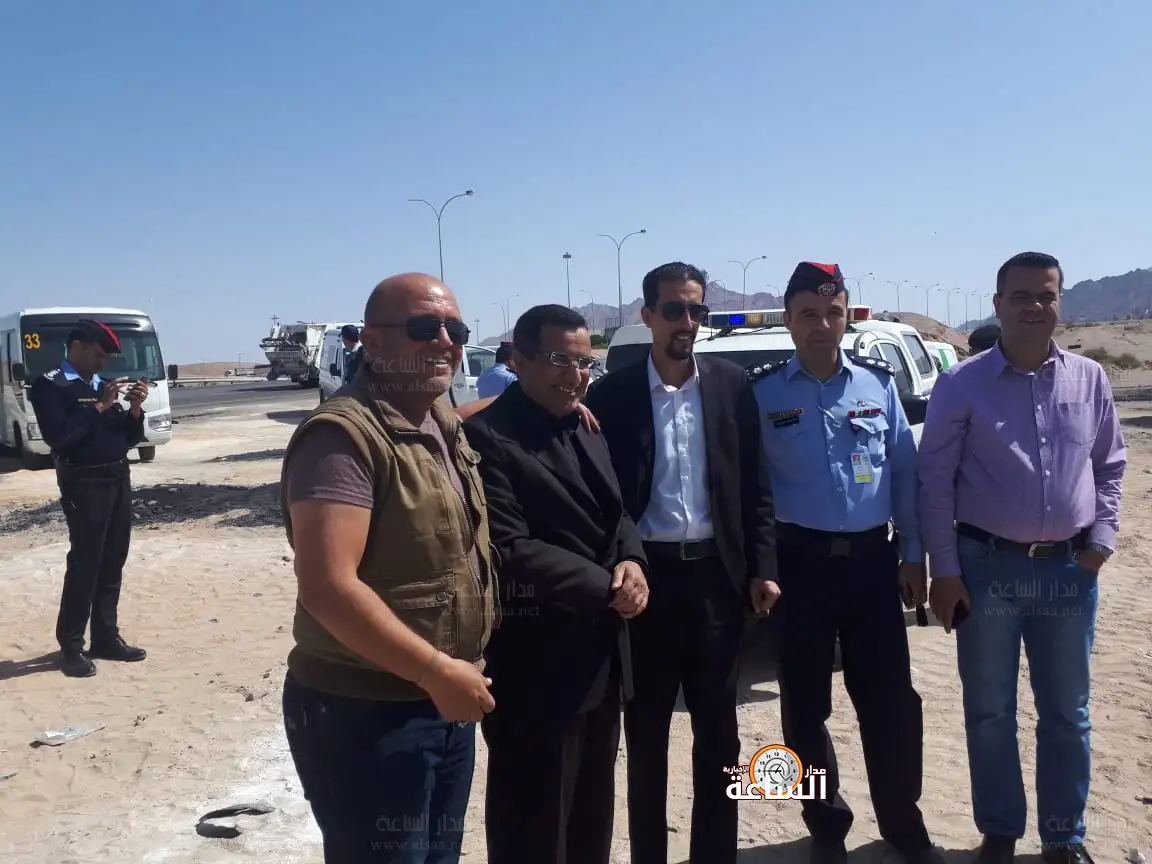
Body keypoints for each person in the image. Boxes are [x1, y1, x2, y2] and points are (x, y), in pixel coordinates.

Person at [279, 272, 498, 863]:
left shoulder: (437, 422)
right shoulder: (341, 439)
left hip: (442, 702)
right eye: (425, 328)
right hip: (366, 712)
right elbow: (328, 587)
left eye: (456, 330)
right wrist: (435, 671)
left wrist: (546, 395)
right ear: (373, 343)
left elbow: (468, 416)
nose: (446, 342)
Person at [919, 252, 1126, 864]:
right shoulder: (961, 383)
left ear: (1060, 302)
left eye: (1046, 295)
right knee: (989, 712)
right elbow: (935, 482)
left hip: (1070, 570)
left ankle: (1063, 837)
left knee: (1068, 713)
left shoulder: (1089, 378)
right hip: (987, 570)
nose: (1035, 306)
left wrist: (1102, 539)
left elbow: (1110, 465)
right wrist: (944, 570)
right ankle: (1001, 831)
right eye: (1021, 296)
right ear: (997, 304)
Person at [582, 262, 779, 864]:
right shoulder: (612, 396)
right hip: (647, 582)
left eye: (698, 311)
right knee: (646, 737)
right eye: (674, 310)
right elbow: (601, 496)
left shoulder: (729, 385)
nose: (687, 322)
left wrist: (763, 566)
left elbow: (755, 485)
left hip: (717, 583)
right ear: (647, 316)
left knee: (720, 736)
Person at [747, 262, 940, 864]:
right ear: (789, 320)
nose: (822, 325)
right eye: (809, 314)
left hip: (872, 564)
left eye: (833, 313)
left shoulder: (877, 385)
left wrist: (914, 554)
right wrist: (760, 565)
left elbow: (903, 476)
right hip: (798, 566)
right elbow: (751, 490)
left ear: (846, 318)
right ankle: (826, 826)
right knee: (804, 707)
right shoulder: (762, 393)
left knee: (892, 703)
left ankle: (903, 824)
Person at [463, 305, 650, 864]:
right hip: (535, 669)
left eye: (584, 362)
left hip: (601, 660)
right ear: (518, 360)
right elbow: (509, 549)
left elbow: (616, 514)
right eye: (559, 361)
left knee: (591, 818)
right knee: (534, 827)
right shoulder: (488, 438)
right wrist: (607, 587)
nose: (576, 375)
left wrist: (633, 561)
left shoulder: (584, 426)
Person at [28, 320, 150, 678]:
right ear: (78, 346)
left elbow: (126, 439)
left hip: (117, 478)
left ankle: (106, 637)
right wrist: (98, 407)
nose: (102, 362)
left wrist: (134, 409)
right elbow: (59, 437)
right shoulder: (51, 385)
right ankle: (71, 647)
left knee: (113, 559)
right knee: (86, 563)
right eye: (98, 355)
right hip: (84, 483)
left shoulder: (101, 385)